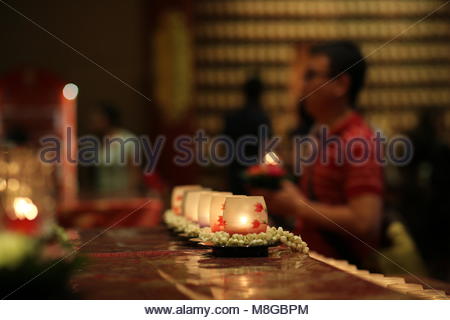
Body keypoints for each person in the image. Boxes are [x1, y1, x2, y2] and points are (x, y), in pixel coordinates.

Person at [253, 41, 383, 267]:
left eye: (310, 76)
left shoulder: (357, 141)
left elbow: (365, 221)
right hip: (319, 266)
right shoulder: (323, 134)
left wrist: (298, 206)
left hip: (342, 277)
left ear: (341, 85)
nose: (301, 86)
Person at [223, 74, 272, 195]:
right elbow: (268, 148)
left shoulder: (232, 117)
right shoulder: (262, 118)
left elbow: (224, 147)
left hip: (234, 171)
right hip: (255, 174)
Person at [90, 102, 141, 197]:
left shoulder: (127, 140)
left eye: (96, 116)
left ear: (106, 119)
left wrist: (130, 194)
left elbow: (135, 172)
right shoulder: (98, 141)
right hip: (102, 196)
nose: (92, 120)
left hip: (123, 196)